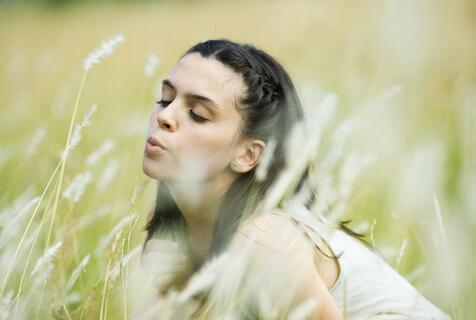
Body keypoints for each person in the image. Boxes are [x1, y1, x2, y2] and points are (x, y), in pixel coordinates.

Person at [140, 39, 451, 319]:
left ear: (248, 155)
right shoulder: (173, 229)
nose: (165, 117)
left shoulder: (264, 244)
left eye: (198, 113)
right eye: (166, 100)